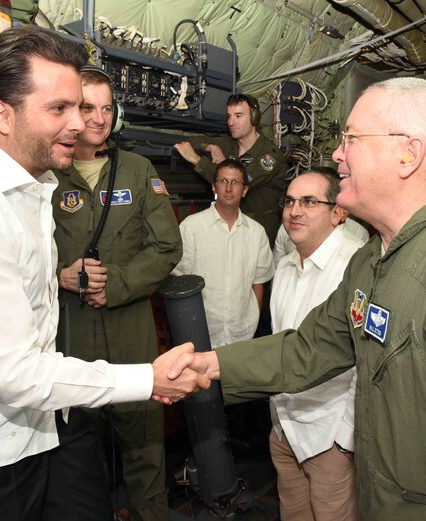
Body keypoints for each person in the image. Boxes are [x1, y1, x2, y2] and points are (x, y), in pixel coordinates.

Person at [167, 77, 426, 520]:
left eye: (351, 139)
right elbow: (309, 348)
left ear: (408, 154)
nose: (337, 153)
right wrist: (213, 364)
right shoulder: (374, 259)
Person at [0, 26, 208, 521]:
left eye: (80, 108)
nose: (79, 125)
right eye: (58, 109)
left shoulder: (31, 189)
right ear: (2, 114)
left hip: (45, 420)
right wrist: (148, 379)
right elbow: (15, 373)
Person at [50, 67, 182, 521]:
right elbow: (14, 254)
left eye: (108, 108)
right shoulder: (46, 177)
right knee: (78, 449)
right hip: (70, 333)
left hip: (130, 330)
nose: (100, 118)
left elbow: (168, 246)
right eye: (88, 107)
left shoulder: (139, 171)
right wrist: (58, 274)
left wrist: (120, 284)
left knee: (144, 440)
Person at [270, 170, 363, 521]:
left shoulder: (356, 267)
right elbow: (282, 349)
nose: (295, 210)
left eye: (309, 202)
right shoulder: (284, 268)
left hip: (329, 439)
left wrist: (344, 440)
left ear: (338, 213)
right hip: (285, 432)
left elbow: (363, 361)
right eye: (290, 201)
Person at [172, 159, 274, 348]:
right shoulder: (191, 227)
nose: (228, 188)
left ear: (244, 190)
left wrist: (251, 323)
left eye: (235, 182)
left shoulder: (256, 232)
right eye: (223, 181)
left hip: (242, 336)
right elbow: (180, 283)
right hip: (200, 333)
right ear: (214, 187)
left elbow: (258, 284)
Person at [173, 94, 287, 247]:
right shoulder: (229, 144)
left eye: (238, 116)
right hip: (228, 227)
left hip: (256, 234)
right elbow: (188, 142)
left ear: (254, 118)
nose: (231, 122)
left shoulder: (269, 156)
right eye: (229, 116)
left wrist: (197, 160)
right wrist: (210, 146)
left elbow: (236, 185)